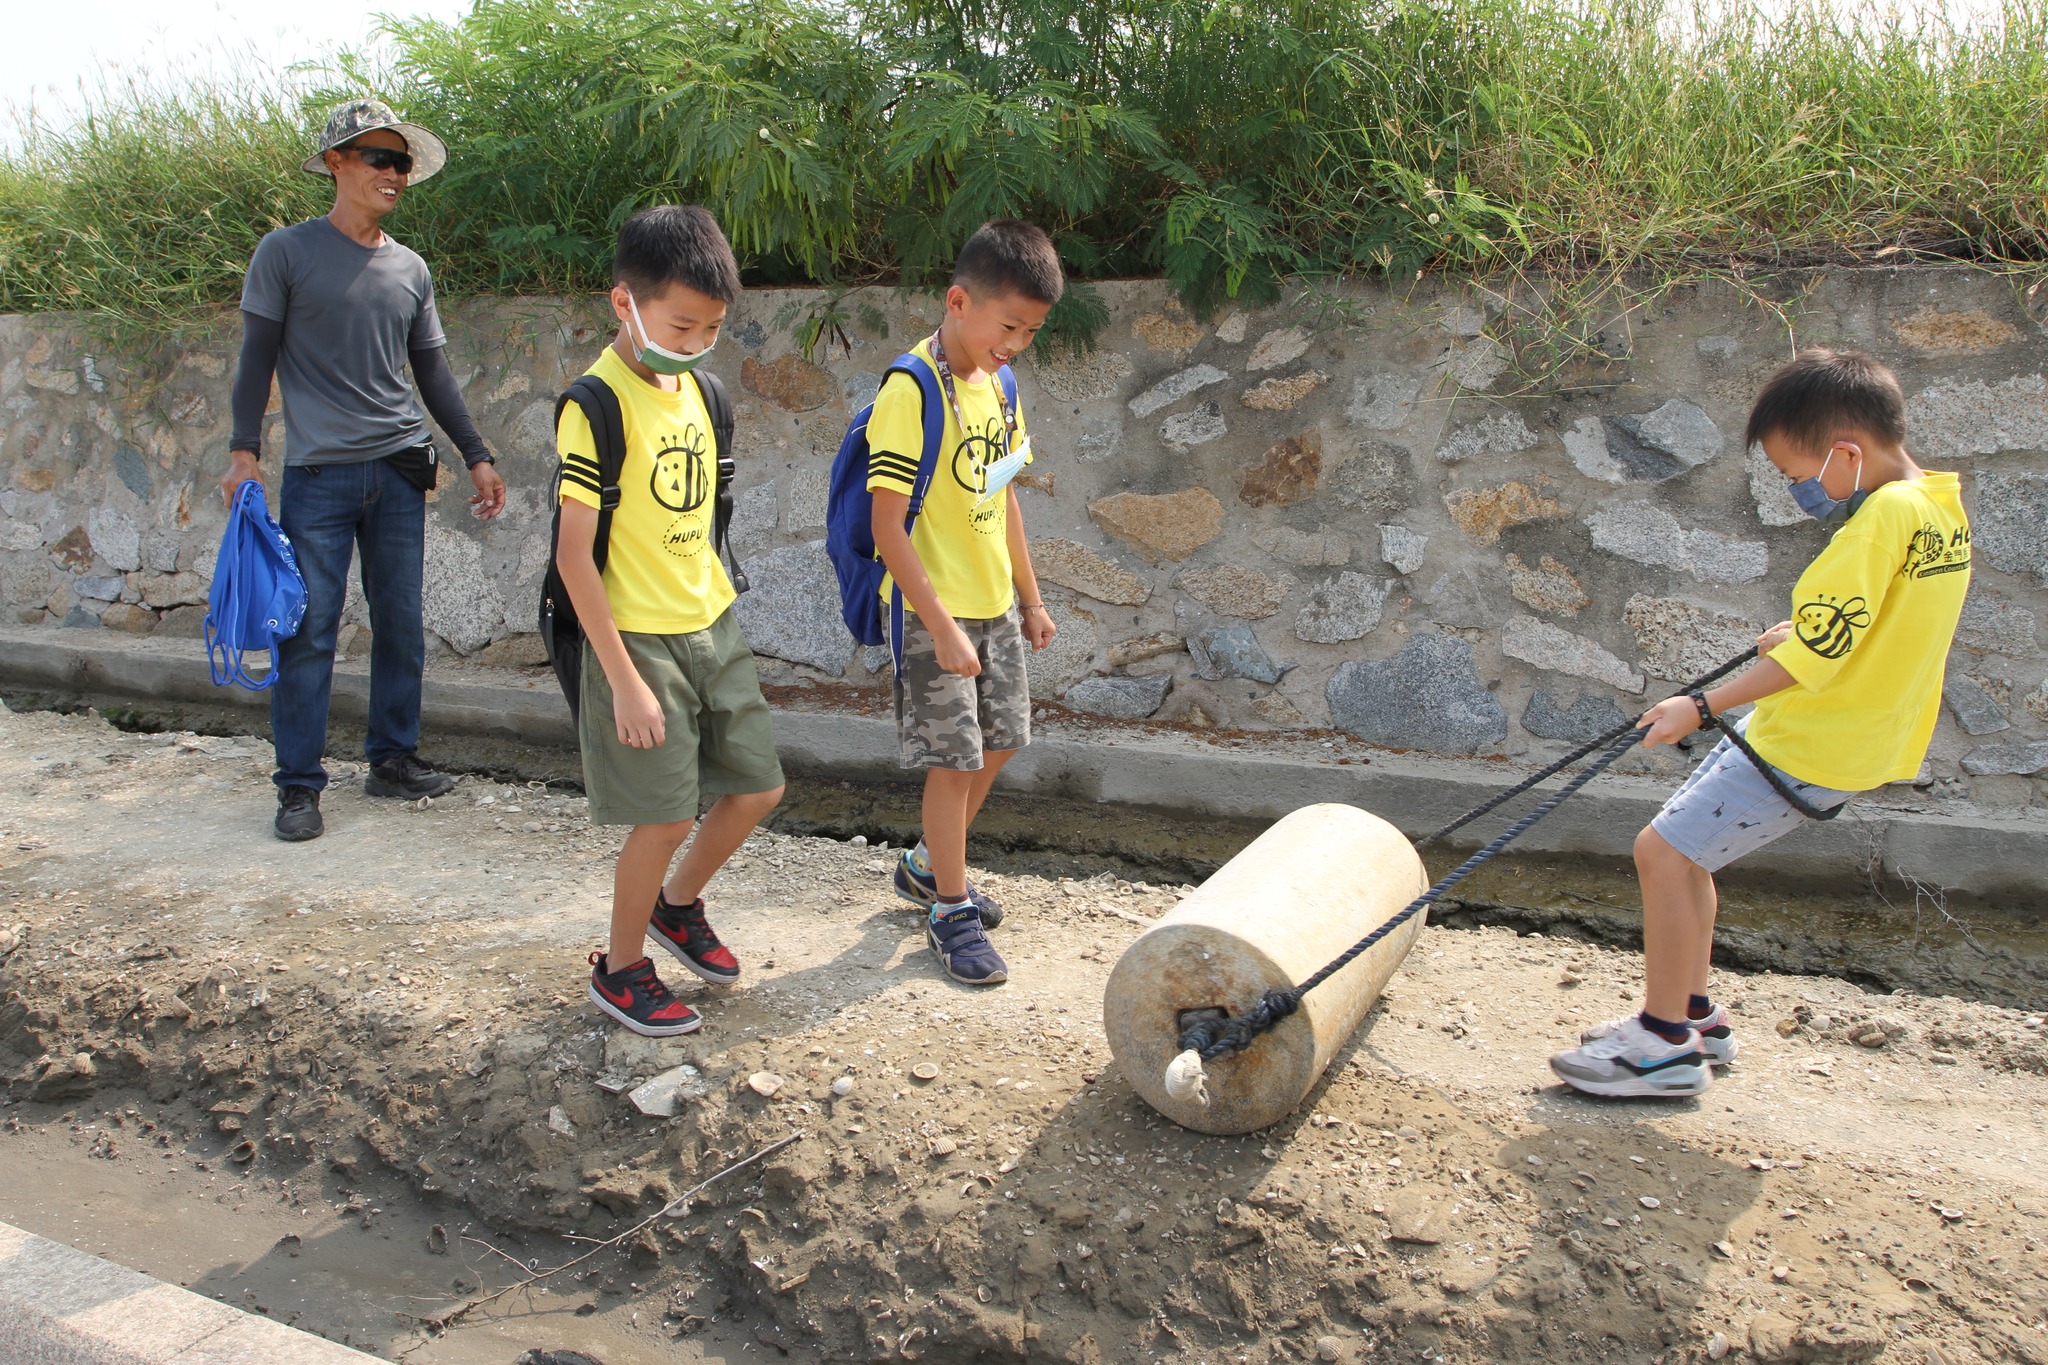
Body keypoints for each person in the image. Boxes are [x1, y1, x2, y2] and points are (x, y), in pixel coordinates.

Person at [1549, 349, 1971, 1098]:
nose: (1797, 489)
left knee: (1660, 852)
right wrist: (1807, 630)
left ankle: (1661, 1045)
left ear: (1847, 451)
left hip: (1812, 736)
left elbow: (1818, 655)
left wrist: (1700, 705)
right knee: (1689, 855)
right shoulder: (1938, 506)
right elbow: (1880, 618)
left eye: (1796, 474)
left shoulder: (1879, 520)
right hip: (1854, 734)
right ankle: (1694, 1016)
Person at [220, 99, 507, 843]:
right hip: (319, 474)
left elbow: (433, 373)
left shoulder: (409, 267)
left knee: (402, 625)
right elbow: (256, 358)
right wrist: (242, 451)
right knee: (309, 628)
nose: (392, 172)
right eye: (377, 157)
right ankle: (298, 786)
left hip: (400, 468)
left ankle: (393, 760)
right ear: (336, 164)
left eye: (401, 161)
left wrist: (477, 453)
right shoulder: (284, 253)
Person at [554, 205, 784, 1037]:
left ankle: (676, 905)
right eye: (681, 324)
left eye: (711, 328)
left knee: (759, 786)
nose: (694, 342)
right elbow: (575, 557)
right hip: (639, 640)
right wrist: (622, 681)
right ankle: (619, 970)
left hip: (712, 622)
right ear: (626, 302)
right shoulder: (595, 404)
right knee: (664, 814)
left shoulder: (703, 391)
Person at [869, 220, 1062, 986]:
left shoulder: (1000, 384)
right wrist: (941, 624)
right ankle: (950, 906)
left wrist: (1032, 598)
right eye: (1008, 324)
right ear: (958, 300)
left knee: (1004, 739)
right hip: (930, 610)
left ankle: (923, 865)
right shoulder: (909, 388)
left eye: (1030, 331)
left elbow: (1003, 494)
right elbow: (887, 527)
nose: (1016, 342)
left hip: (994, 604)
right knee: (954, 760)